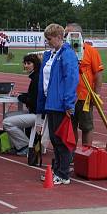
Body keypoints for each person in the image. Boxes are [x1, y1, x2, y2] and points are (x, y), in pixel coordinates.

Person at [36, 23, 78, 185]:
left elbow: (71, 79)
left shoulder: (67, 54)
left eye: (50, 39)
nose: (48, 42)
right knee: (54, 138)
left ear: (60, 37)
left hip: (60, 103)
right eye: (46, 39)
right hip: (50, 102)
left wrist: (68, 103)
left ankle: (63, 173)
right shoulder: (51, 54)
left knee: (61, 139)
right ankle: (58, 170)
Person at [65, 23, 104, 146]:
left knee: (86, 127)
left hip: (84, 97)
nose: (65, 36)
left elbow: (98, 74)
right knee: (70, 127)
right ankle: (71, 154)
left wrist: (96, 95)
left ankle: (86, 153)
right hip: (68, 97)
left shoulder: (91, 51)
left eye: (68, 33)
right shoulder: (64, 52)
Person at [2, 53, 41, 155]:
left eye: (29, 63)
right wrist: (21, 95)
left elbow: (32, 100)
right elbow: (32, 95)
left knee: (7, 122)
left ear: (35, 64)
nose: (26, 65)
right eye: (25, 63)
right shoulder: (36, 77)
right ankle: (16, 145)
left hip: (37, 114)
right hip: (35, 112)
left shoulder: (37, 78)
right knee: (7, 116)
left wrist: (19, 97)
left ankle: (25, 146)